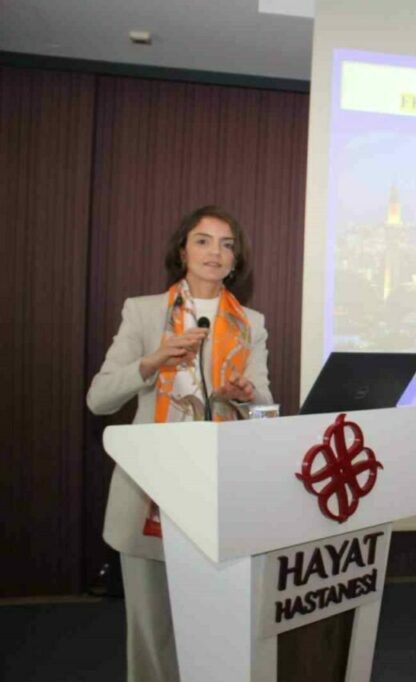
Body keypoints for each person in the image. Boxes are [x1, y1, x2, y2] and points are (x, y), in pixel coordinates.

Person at [87, 206, 272, 682]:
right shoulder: (144, 311)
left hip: (221, 498)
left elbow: (267, 410)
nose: (215, 252)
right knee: (153, 637)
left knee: (218, 632)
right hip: (150, 494)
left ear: (236, 259)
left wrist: (246, 397)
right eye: (203, 241)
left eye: (227, 244)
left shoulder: (250, 323)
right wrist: (152, 362)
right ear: (182, 251)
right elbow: (99, 399)